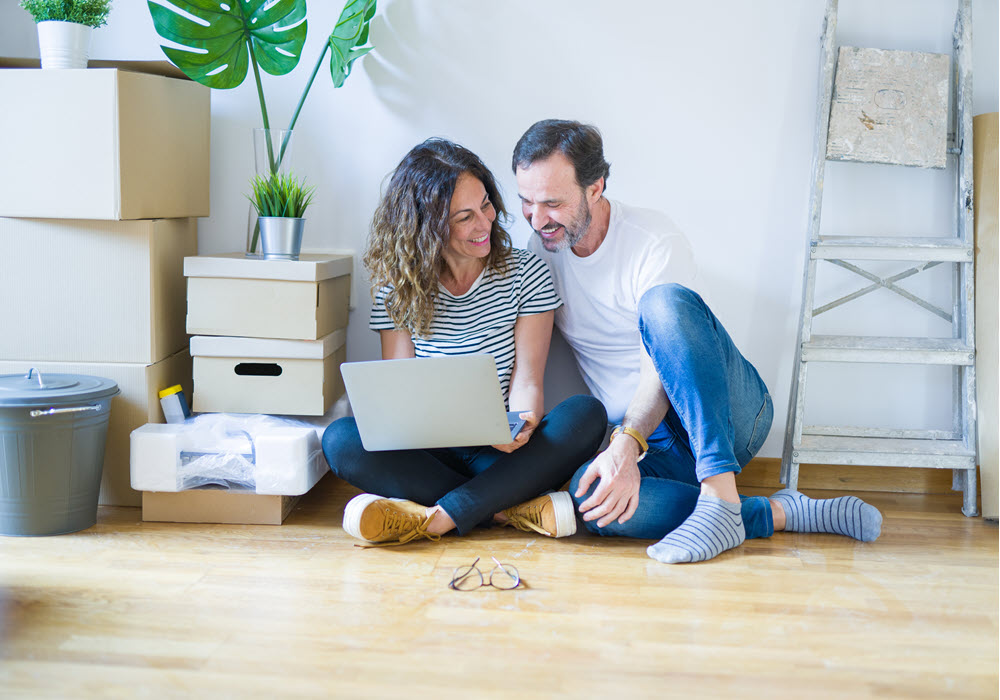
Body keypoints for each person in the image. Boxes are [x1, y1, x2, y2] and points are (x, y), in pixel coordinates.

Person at [512, 119, 883, 564]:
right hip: (651, 445)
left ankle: (720, 494)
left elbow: (662, 360)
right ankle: (776, 512)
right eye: (526, 202)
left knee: (664, 304)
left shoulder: (651, 240)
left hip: (719, 413)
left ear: (596, 188)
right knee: (586, 500)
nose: (537, 220)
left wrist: (626, 442)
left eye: (552, 203)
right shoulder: (539, 254)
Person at [322, 138, 607, 547]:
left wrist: (520, 426)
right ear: (427, 228)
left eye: (486, 205)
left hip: (499, 452)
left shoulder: (527, 274)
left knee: (585, 415)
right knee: (341, 440)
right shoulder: (395, 288)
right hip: (428, 451)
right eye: (464, 217)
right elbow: (399, 393)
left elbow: (527, 381)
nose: (485, 224)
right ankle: (506, 510)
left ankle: (436, 518)